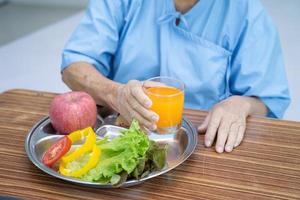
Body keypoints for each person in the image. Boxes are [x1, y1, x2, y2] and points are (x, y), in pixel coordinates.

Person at [61, 0, 290, 153]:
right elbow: (74, 66)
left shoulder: (246, 11)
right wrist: (116, 94)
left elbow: (268, 100)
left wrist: (240, 104)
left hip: (204, 145)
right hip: (122, 134)